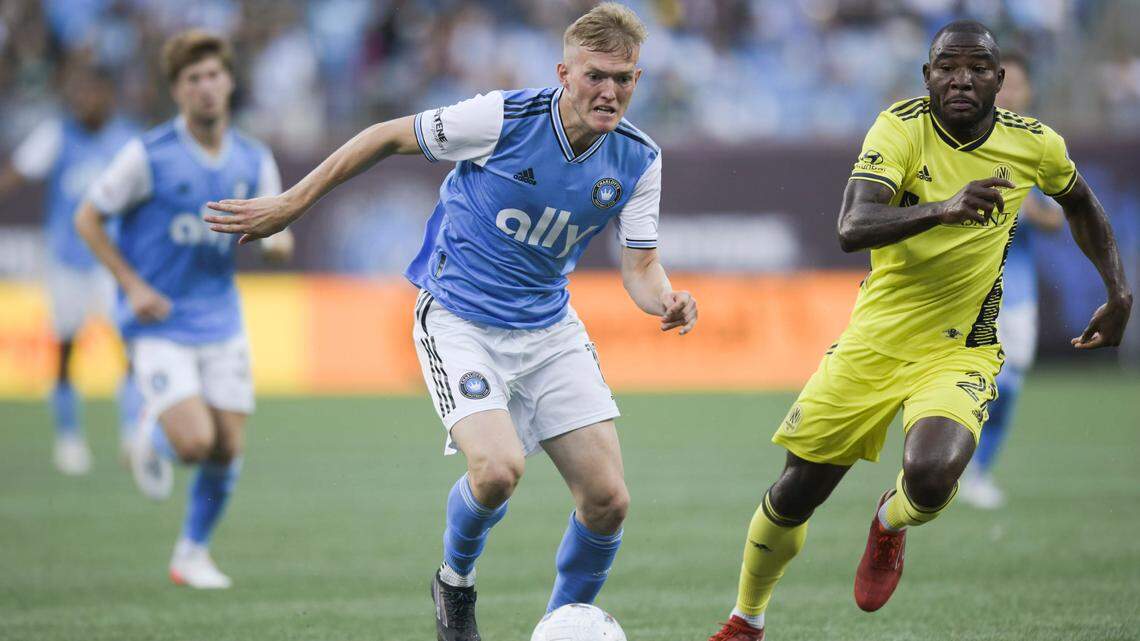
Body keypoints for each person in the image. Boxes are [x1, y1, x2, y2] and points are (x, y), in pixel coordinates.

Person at [203, 4, 696, 639]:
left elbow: (641, 269)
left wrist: (667, 299)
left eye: (625, 79)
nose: (610, 91)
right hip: (459, 317)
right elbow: (384, 135)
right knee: (496, 471)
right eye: (596, 75)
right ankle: (454, 584)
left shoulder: (639, 158)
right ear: (563, 73)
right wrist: (291, 204)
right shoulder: (503, 118)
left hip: (548, 328)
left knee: (609, 502)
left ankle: (561, 626)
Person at [708, 21, 1131, 641]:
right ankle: (747, 619)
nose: (961, 78)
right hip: (875, 340)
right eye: (947, 67)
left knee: (932, 479)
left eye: (977, 68)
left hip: (961, 347)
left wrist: (1118, 290)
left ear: (999, 80)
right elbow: (852, 226)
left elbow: (1081, 202)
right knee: (797, 492)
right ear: (927, 75)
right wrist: (943, 207)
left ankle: (891, 520)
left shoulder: (1035, 144)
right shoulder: (899, 127)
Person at [74, 30, 293, 589]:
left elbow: (276, 230)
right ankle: (147, 430)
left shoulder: (253, 158)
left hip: (221, 318)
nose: (206, 88)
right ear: (176, 90)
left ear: (230, 82)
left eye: (214, 76)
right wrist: (132, 285)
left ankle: (191, 554)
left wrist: (277, 243)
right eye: (193, 79)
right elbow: (88, 218)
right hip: (158, 320)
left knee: (228, 446)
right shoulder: (148, 156)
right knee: (194, 443)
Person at [0, 60, 140, 475]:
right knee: (66, 349)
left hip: (112, 263)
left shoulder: (127, 140)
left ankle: (133, 433)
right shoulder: (57, 134)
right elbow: (17, 174)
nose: (84, 101)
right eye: (78, 93)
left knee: (131, 349)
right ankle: (69, 439)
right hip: (66, 260)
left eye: (92, 92)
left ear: (108, 96)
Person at [959, 53, 1064, 509]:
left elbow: (1057, 219)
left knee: (1008, 384)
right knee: (956, 379)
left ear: (1028, 92)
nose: (1009, 95)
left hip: (1014, 288)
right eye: (1002, 86)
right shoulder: (962, 137)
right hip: (964, 285)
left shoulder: (1037, 146)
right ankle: (943, 464)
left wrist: (1023, 206)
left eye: (1017, 86)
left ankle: (977, 471)